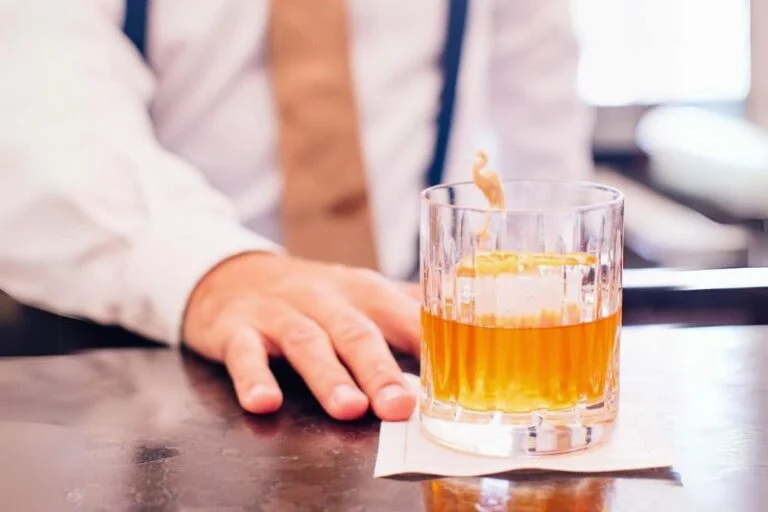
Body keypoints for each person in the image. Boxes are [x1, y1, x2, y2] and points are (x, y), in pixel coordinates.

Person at [0, 0, 592, 422]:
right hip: (138, 357)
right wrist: (212, 270)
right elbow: (36, 101)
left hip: (408, 352)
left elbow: (537, 113)